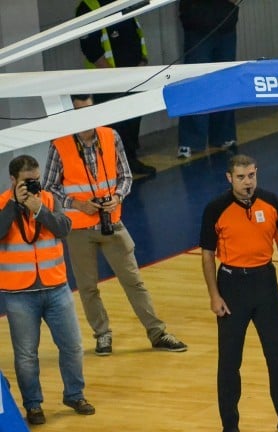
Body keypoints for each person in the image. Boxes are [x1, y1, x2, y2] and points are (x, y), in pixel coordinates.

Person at [44, 94, 187, 357]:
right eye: (79, 112)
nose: (85, 117)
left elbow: (126, 176)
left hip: (111, 222)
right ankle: (102, 336)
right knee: (88, 287)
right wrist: (76, 204)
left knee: (133, 280)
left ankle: (157, 333)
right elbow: (48, 188)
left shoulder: (111, 137)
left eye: (88, 110)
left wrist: (118, 197)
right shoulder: (59, 145)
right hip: (78, 229)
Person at [199, 154, 278, 432]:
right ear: (229, 178)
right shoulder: (216, 209)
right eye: (240, 177)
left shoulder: (271, 202)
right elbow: (208, 254)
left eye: (251, 176)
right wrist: (214, 295)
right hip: (232, 285)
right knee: (229, 361)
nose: (247, 182)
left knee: (277, 356)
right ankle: (229, 426)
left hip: (264, 283)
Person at [0, 155, 94, 424]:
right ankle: (33, 405)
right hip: (19, 293)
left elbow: (65, 227)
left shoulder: (49, 199)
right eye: (27, 181)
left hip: (56, 287)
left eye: (36, 179)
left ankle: (74, 395)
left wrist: (39, 209)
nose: (33, 185)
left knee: (73, 346)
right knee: (26, 355)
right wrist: (14, 206)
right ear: (13, 181)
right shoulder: (2, 203)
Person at [75, 0, 156, 177]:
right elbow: (91, 49)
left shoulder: (124, 2)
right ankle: (112, 169)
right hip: (107, 81)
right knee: (113, 127)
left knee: (132, 122)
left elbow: (137, 35)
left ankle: (130, 162)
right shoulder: (87, 8)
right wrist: (115, 77)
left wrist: (142, 61)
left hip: (134, 76)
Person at [177, 0, 241, 159]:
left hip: (225, 25)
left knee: (224, 82)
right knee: (194, 83)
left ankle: (223, 135)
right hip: (197, 25)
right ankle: (190, 140)